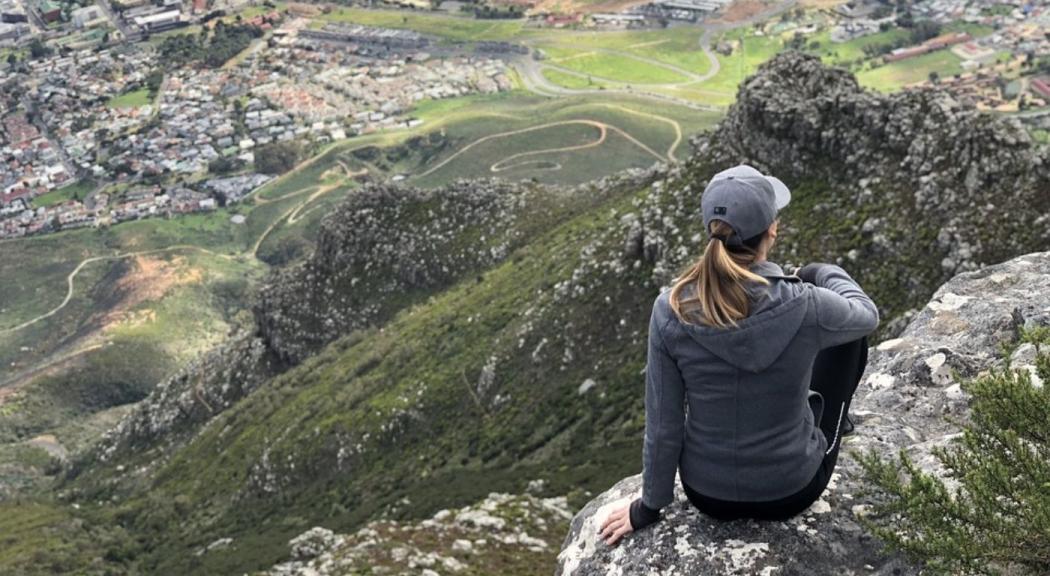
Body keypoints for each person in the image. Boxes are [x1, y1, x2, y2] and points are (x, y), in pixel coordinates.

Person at [599, 164, 879, 546]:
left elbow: (664, 424)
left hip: (707, 494)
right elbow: (867, 315)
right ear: (773, 231)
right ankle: (834, 424)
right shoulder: (806, 303)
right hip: (791, 489)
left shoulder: (671, 309)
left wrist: (647, 508)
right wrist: (818, 271)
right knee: (849, 337)